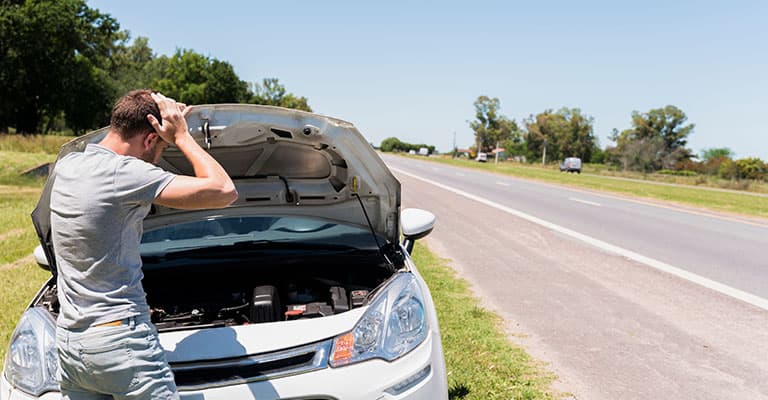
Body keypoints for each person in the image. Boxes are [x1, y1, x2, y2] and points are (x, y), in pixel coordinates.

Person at [50, 89, 238, 399]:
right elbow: (224, 191)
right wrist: (182, 137)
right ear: (150, 139)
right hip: (121, 342)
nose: (160, 154)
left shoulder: (67, 166)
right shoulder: (125, 173)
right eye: (161, 146)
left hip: (71, 345)